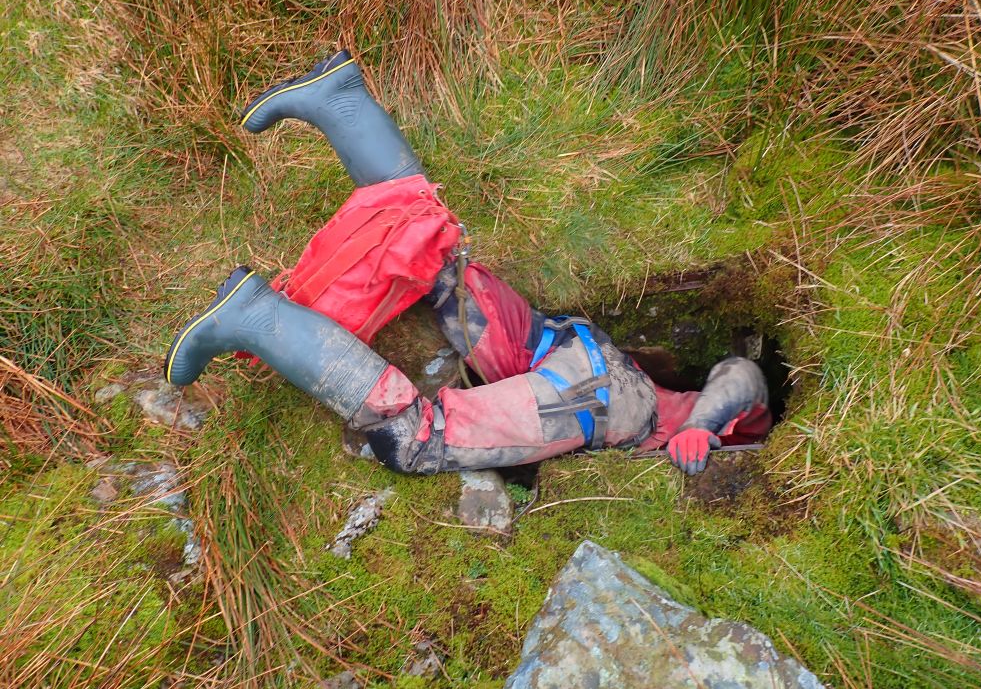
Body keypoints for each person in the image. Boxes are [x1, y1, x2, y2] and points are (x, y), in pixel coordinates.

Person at [163, 51, 772, 476]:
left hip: (565, 353)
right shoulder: (740, 436)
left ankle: (340, 101)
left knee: (439, 262)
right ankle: (256, 320)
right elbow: (743, 376)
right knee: (414, 441)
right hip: (611, 406)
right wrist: (704, 426)